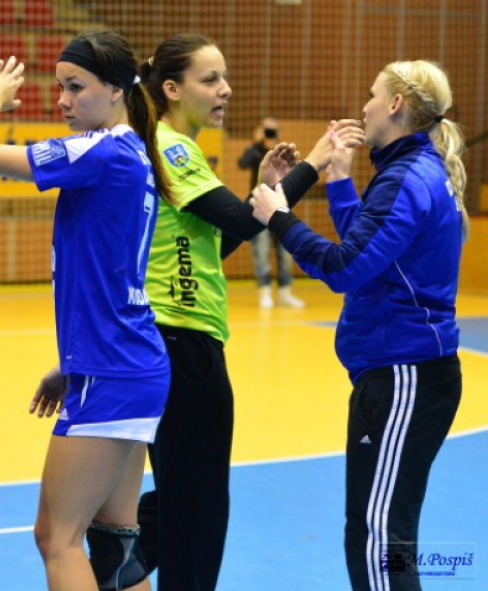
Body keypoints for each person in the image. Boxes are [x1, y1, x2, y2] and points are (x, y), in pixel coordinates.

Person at [132, 33, 364, 591]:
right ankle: (115, 559)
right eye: (210, 79)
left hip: (178, 338)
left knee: (186, 493)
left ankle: (119, 560)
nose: (226, 89)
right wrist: (315, 162)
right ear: (172, 89)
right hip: (182, 339)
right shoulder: (172, 147)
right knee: (199, 504)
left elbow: (221, 243)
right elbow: (242, 222)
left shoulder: (172, 147)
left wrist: (269, 188)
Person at [0, 30, 172, 591]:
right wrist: (72, 362)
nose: (62, 100)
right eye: (59, 87)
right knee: (115, 545)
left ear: (116, 89)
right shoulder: (133, 153)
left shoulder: (102, 150)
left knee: (56, 538)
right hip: (124, 362)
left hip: (113, 369)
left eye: (75, 87)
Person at [251, 60, 465, 591]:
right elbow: (371, 258)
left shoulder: (407, 178)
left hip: (405, 375)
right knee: (379, 533)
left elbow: (344, 267)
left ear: (395, 104)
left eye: (372, 95)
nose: (364, 106)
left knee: (380, 538)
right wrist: (340, 179)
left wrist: (279, 217)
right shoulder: (409, 170)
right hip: (396, 375)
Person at [238, 117, 305, 308]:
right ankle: (264, 291)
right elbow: (242, 163)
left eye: (273, 130)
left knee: (286, 250)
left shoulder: (282, 151)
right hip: (260, 206)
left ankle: (285, 293)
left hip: (280, 205)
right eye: (267, 130)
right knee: (261, 251)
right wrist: (256, 143)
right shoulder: (255, 150)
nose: (270, 133)